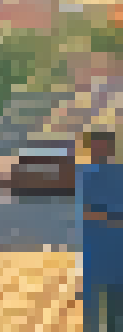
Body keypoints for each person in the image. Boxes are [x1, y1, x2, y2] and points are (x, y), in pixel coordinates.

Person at [83, 130, 122, 332]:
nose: (99, 151)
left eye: (102, 146)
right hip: (93, 250)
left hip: (116, 249)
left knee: (116, 303)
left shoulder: (119, 173)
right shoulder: (84, 175)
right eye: (95, 146)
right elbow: (82, 211)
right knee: (91, 307)